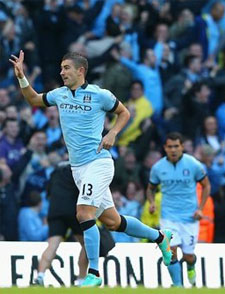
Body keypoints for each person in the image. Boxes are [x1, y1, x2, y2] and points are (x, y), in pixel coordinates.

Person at [9, 50, 172, 287]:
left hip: (98, 162)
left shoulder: (99, 95)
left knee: (84, 214)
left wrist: (113, 133)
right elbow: (33, 99)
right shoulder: (60, 95)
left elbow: (124, 113)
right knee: (113, 222)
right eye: (61, 68)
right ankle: (160, 237)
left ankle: (93, 274)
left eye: (66, 68)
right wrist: (22, 76)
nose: (61, 72)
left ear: (80, 71)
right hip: (78, 169)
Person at [146, 132, 211, 287]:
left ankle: (190, 266)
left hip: (189, 217)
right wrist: (151, 203)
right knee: (171, 252)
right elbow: (150, 189)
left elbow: (206, 185)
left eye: (176, 146)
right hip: (168, 216)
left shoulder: (193, 164)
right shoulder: (158, 168)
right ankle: (178, 286)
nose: (173, 150)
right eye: (170, 147)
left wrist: (201, 209)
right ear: (165, 148)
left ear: (182, 147)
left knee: (188, 255)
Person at [34, 162, 88, 286]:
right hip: (74, 211)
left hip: (55, 210)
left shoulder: (55, 172)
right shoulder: (79, 169)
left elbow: (48, 194)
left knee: (52, 245)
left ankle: (40, 276)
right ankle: (81, 279)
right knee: (86, 245)